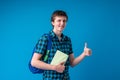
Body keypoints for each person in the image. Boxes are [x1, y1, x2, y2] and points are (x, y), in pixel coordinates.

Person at [31, 10, 92, 80]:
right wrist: (54, 67)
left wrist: (84, 54)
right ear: (53, 22)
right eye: (59, 20)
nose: (62, 23)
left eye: (64, 21)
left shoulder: (67, 40)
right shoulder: (45, 39)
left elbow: (72, 63)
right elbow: (34, 62)